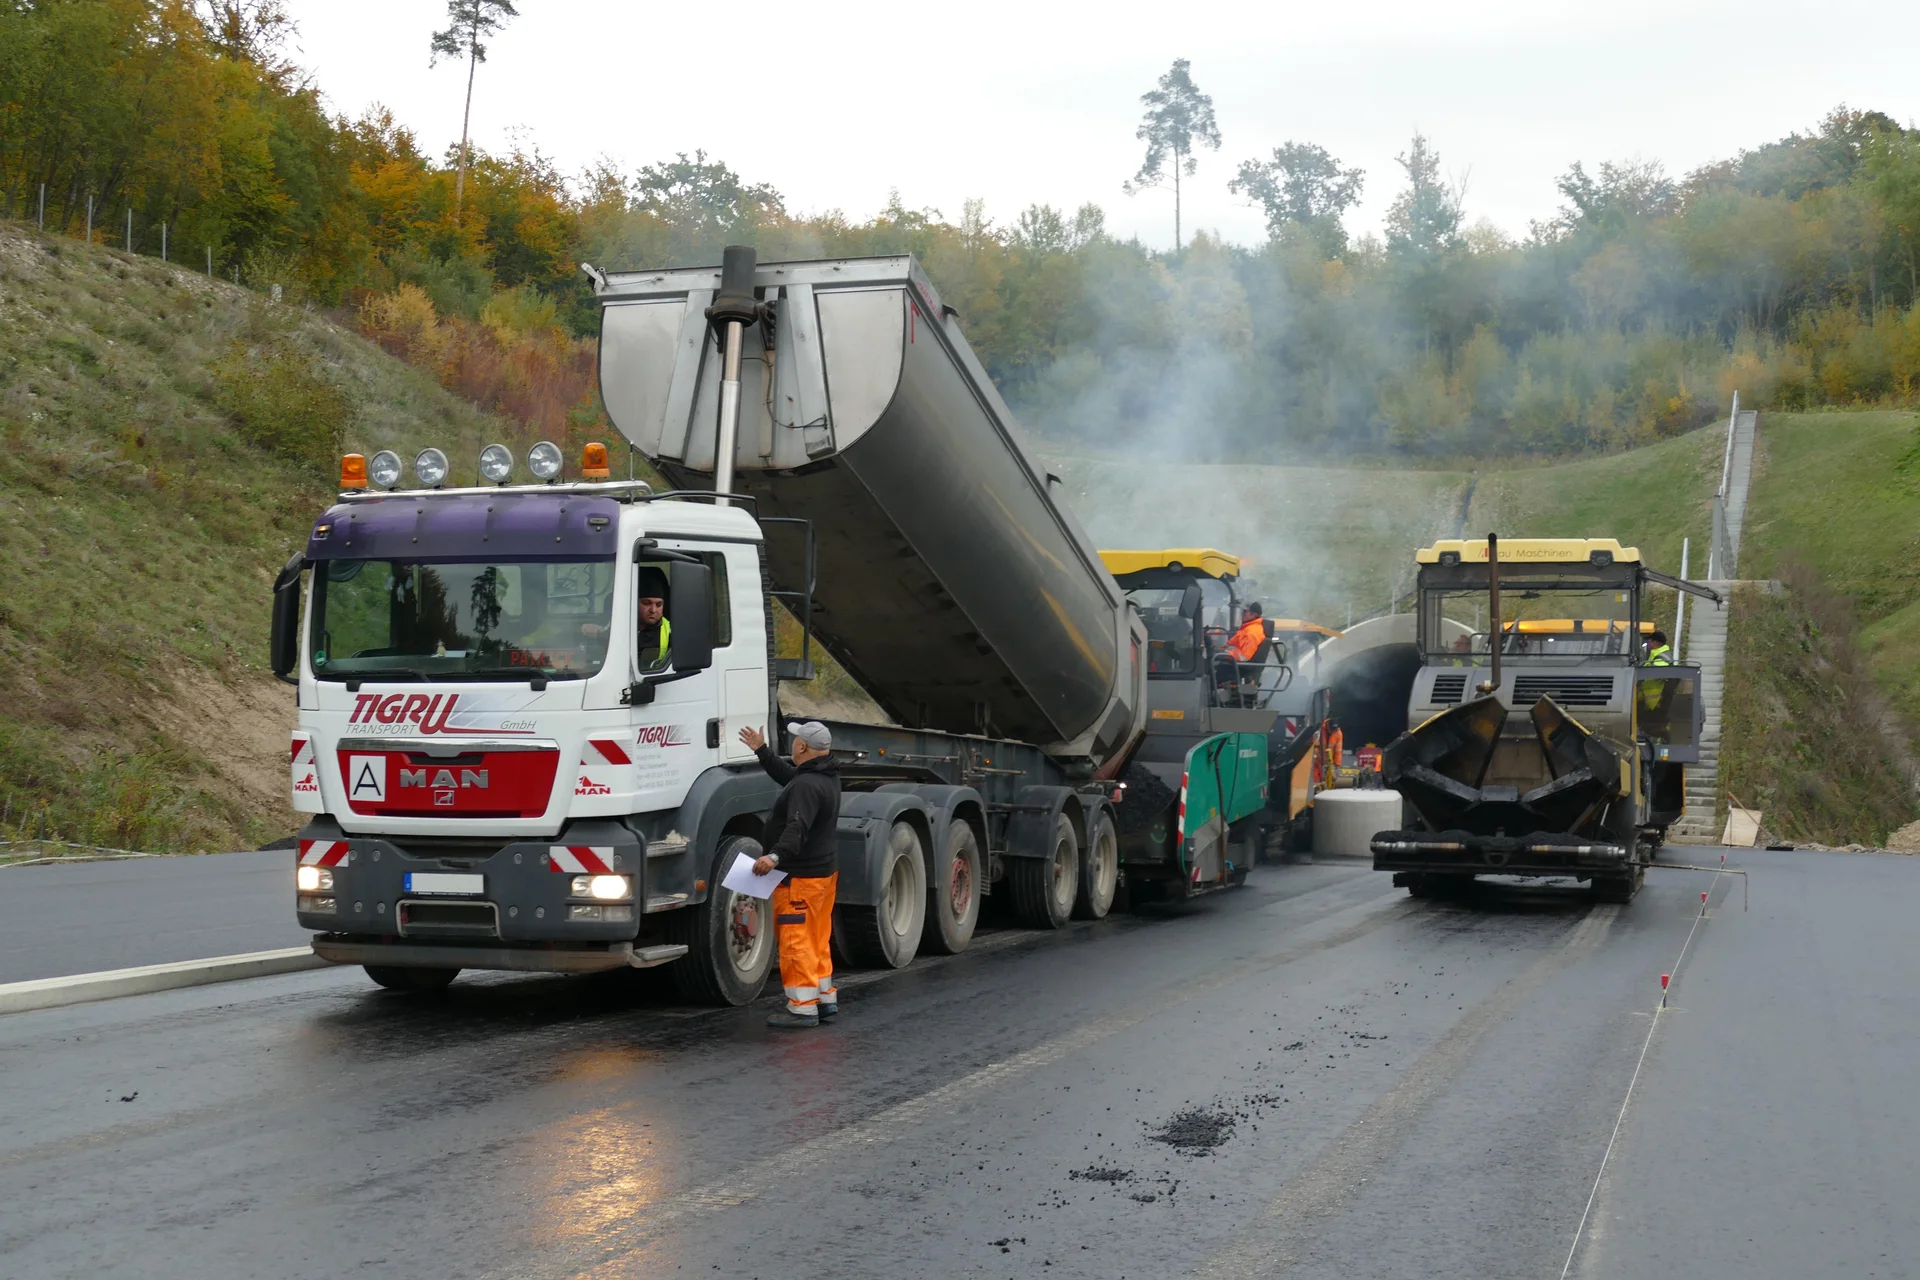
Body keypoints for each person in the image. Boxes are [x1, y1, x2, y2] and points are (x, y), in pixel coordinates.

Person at [738, 720, 842, 1029]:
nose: (793, 742)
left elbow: (797, 827)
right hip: (822, 875)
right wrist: (761, 750)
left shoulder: (807, 786)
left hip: (799, 879)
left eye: (796, 740)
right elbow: (789, 776)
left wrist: (774, 856)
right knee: (816, 938)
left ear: (802, 747)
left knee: (796, 940)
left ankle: (801, 1007)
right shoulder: (825, 775)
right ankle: (824, 999)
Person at [580, 567, 670, 667]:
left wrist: (600, 635)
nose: (653, 610)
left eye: (659, 605)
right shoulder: (613, 619)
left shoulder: (671, 631)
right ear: (633, 602)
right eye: (646, 603)